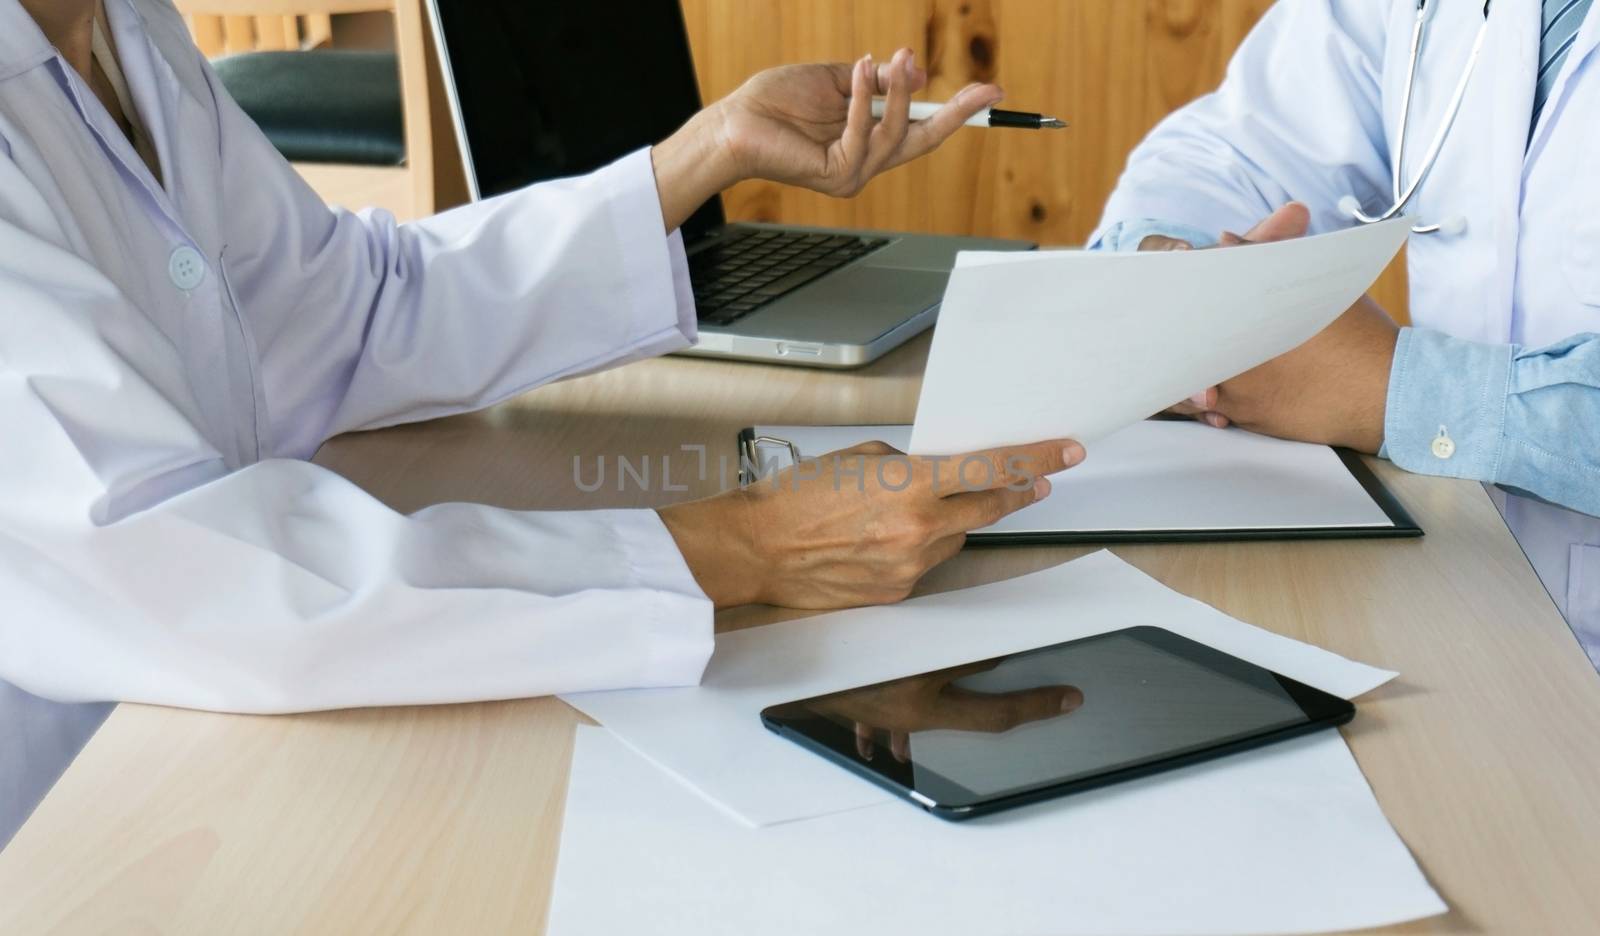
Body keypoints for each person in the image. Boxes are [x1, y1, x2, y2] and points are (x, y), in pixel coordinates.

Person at [0, 0, 1086, 845]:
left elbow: (342, 312)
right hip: (64, 814)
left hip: (205, 742)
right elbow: (181, 571)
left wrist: (703, 155)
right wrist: (741, 543)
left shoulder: (123, 30)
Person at [1091, 0, 1600, 666]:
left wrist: (1395, 391)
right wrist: (1181, 276)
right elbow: (1233, 150)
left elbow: (1388, 391)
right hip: (1461, 594)